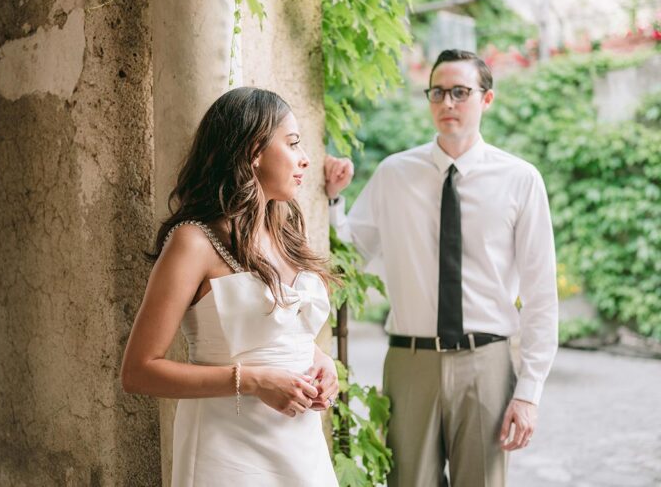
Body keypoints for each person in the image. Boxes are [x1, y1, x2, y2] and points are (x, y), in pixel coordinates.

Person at [324, 49, 558, 486]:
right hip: (410, 363)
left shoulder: (521, 180)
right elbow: (348, 254)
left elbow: (541, 293)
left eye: (460, 92)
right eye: (437, 92)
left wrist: (529, 392)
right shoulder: (394, 174)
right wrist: (334, 200)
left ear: (486, 99)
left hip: (486, 363)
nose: (447, 103)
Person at [121, 87, 340, 487]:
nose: (305, 158)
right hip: (227, 453)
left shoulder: (285, 231)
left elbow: (275, 329)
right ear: (253, 152)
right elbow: (138, 372)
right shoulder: (194, 242)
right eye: (291, 144)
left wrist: (318, 358)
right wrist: (254, 381)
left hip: (301, 448)